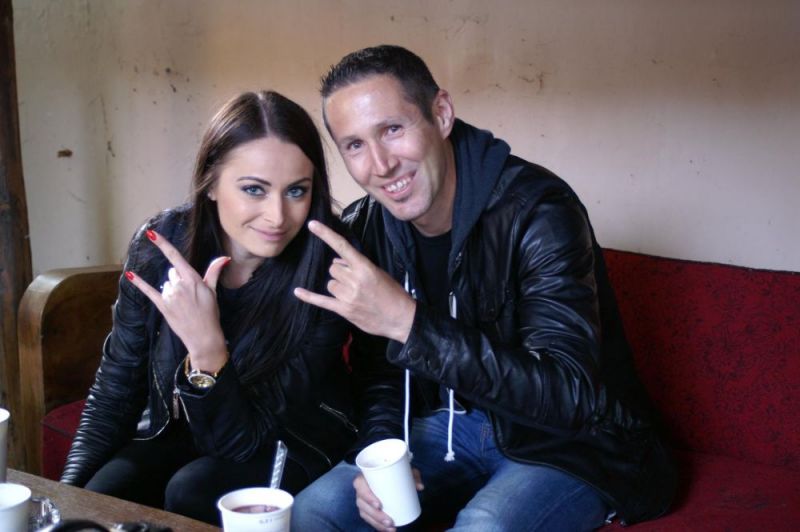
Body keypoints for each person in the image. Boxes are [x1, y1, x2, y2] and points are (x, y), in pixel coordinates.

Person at [292, 45, 677, 531]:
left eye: (392, 130)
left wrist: (409, 322)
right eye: (354, 145)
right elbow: (380, 374)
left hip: (574, 443)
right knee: (315, 510)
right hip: (450, 425)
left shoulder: (539, 211)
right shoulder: (368, 226)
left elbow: (570, 395)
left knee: (484, 526)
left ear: (441, 114)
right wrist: (380, 454)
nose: (381, 164)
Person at [60, 90, 357, 525]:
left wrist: (207, 348)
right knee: (101, 496)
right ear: (212, 183)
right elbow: (116, 387)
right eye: (254, 189)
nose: (277, 216)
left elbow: (243, 442)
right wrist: (65, 498)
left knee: (193, 490)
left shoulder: (329, 268)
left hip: (291, 437)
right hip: (187, 427)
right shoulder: (161, 245)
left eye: (296, 191)